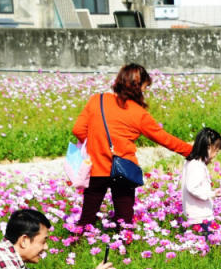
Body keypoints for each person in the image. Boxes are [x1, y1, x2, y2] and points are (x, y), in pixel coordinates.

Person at [72, 63, 193, 228]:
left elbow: (78, 129)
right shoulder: (139, 113)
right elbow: (164, 138)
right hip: (123, 169)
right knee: (124, 222)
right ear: (137, 86)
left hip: (96, 168)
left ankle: (77, 244)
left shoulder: (97, 100)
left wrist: (96, 144)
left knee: (86, 218)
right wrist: (192, 151)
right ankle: (122, 248)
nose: (144, 91)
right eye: (144, 87)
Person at [180, 127, 221, 239]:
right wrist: (211, 194)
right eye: (216, 151)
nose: (215, 155)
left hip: (197, 214)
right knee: (205, 244)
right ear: (208, 147)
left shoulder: (192, 162)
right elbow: (192, 187)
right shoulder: (196, 165)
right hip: (199, 216)